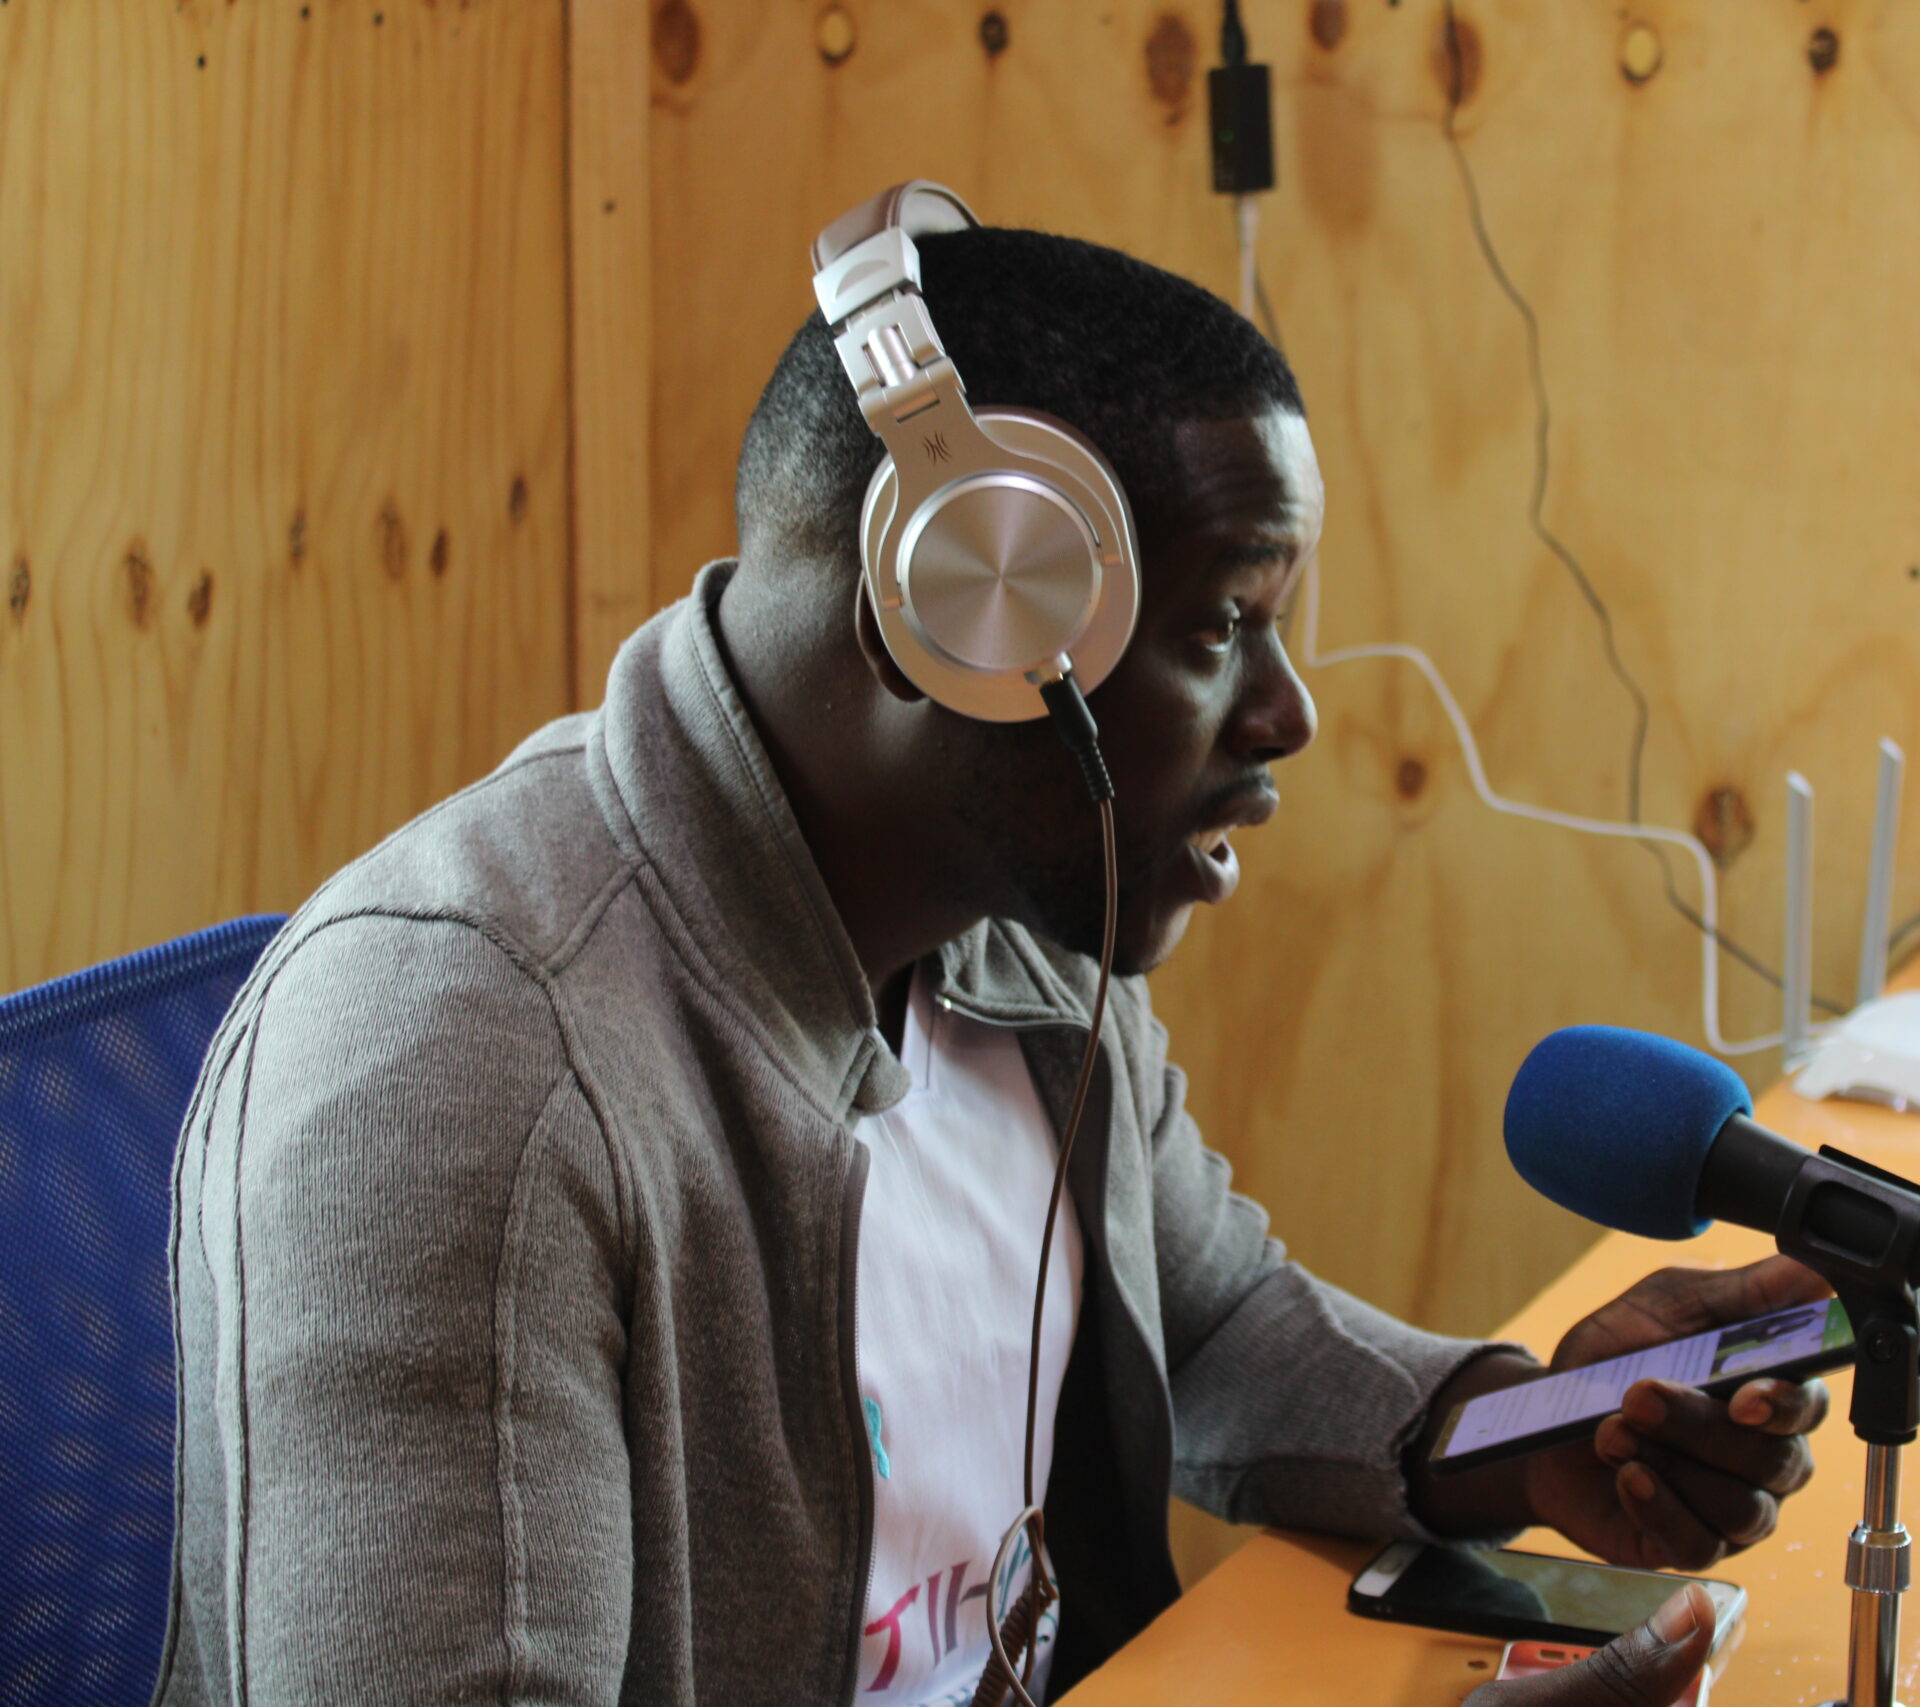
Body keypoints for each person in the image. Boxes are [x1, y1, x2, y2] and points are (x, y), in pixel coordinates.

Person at [155, 198, 1829, 1707]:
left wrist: (1536, 1430)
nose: (1289, 713)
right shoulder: (467, 1069)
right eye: (1222, 625)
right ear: (964, 619)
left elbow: (1213, 1326)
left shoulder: (1012, 934)